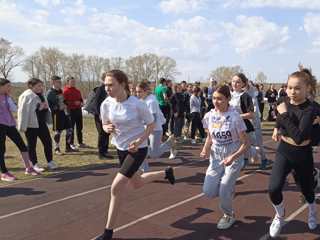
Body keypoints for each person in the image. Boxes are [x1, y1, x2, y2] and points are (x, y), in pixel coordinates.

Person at [95, 70, 175, 240]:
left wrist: (139, 141)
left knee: (116, 187)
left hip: (138, 150)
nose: (107, 88)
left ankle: (108, 233)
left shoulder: (137, 104)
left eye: (111, 85)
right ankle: (166, 173)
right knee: (137, 183)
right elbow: (104, 123)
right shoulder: (106, 104)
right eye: (106, 85)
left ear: (122, 84)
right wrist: (106, 128)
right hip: (121, 148)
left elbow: (151, 125)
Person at [268, 71, 318, 238]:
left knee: (308, 190)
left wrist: (283, 115)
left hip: (303, 153)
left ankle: (311, 211)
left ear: (307, 89)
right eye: (289, 87)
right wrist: (276, 127)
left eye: (297, 88)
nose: (292, 92)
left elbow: (298, 137)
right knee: (273, 188)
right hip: (284, 151)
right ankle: (279, 214)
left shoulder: (311, 109)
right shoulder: (283, 101)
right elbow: (280, 121)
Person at [200, 84, 249, 229]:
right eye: (214, 98)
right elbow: (209, 137)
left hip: (233, 155)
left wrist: (233, 157)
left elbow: (246, 143)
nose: (216, 101)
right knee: (208, 192)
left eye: (220, 99)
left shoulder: (235, 118)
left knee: (223, 189)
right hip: (216, 156)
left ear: (228, 99)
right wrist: (205, 149)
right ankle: (228, 189)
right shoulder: (209, 116)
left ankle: (229, 215)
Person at [0, 78, 38, 181]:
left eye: (10, 86)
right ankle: (4, 173)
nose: (10, 88)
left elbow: (14, 109)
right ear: (1, 86)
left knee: (22, 145)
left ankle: (28, 168)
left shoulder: (7, 96)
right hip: (1, 125)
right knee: (2, 149)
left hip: (10, 124)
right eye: (8, 86)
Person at [136, 82, 177, 172]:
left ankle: (169, 143)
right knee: (139, 149)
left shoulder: (151, 101)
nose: (137, 94)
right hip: (145, 129)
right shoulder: (142, 100)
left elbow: (153, 120)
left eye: (139, 92)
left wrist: (140, 122)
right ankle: (144, 169)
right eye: (137, 92)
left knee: (154, 154)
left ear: (146, 91)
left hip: (155, 129)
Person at [17, 78, 57, 171]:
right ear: (31, 86)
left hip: (41, 123)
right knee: (32, 145)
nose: (41, 87)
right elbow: (23, 111)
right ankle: (34, 164)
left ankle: (50, 161)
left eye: (41, 85)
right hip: (31, 125)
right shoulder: (26, 96)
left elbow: (44, 107)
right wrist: (23, 126)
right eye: (38, 86)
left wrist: (45, 108)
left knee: (47, 142)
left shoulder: (42, 94)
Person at [229, 73, 258, 167]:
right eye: (233, 81)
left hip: (243, 126)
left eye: (238, 82)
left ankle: (252, 152)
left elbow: (252, 115)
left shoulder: (245, 96)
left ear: (243, 84)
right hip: (230, 125)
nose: (235, 84)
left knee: (244, 145)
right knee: (234, 146)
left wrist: (237, 117)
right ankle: (241, 160)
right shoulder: (229, 95)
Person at [46, 75, 76, 155]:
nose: (60, 83)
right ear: (52, 82)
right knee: (57, 132)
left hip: (64, 114)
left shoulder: (60, 91)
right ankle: (57, 148)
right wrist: (59, 107)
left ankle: (68, 147)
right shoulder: (50, 93)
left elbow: (64, 100)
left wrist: (66, 104)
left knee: (70, 129)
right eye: (58, 82)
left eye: (60, 82)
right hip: (56, 115)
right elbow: (50, 106)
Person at [63, 76, 87, 148]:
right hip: (70, 111)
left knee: (80, 127)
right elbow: (64, 102)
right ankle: (71, 143)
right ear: (68, 82)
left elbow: (81, 99)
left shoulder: (77, 91)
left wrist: (81, 102)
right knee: (71, 128)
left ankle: (80, 142)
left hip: (78, 111)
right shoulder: (65, 91)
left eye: (74, 82)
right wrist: (73, 103)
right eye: (72, 81)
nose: (73, 83)